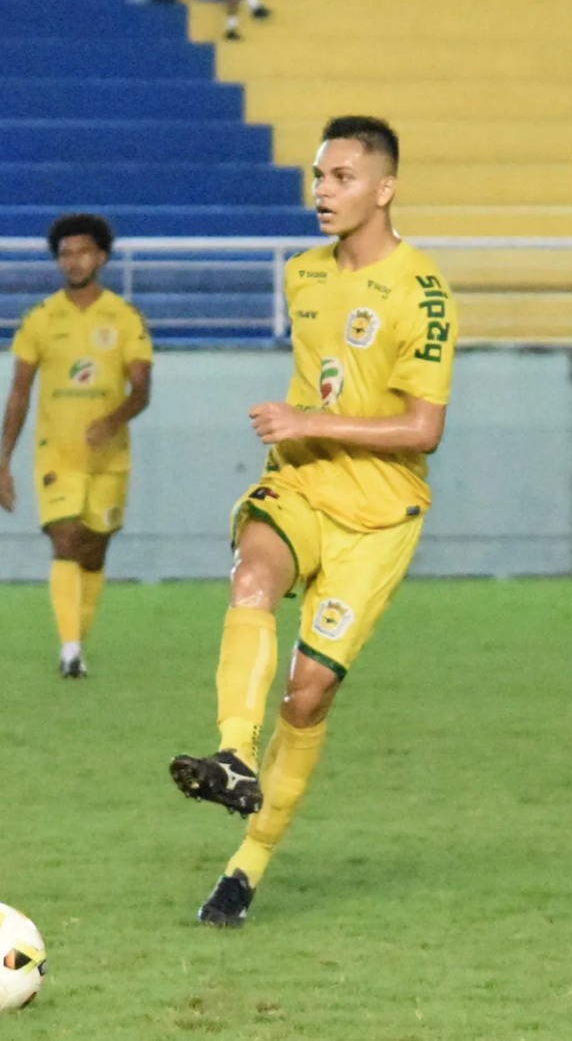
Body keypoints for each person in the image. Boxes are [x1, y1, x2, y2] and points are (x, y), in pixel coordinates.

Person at [168, 116, 459, 926]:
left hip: (378, 517)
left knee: (306, 701)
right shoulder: (302, 274)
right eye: (319, 177)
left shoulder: (422, 294)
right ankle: (231, 752)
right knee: (253, 576)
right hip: (299, 488)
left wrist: (307, 422)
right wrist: (303, 438)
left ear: (385, 189)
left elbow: (423, 428)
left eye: (341, 178)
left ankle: (245, 869)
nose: (322, 192)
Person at [0, 214, 153, 680]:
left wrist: (113, 419)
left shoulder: (124, 318)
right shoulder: (41, 319)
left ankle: (77, 642)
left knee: (93, 550)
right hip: (56, 454)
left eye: (82, 252)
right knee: (64, 539)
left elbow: (142, 390)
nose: (73, 261)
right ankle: (69, 651)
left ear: (101, 256)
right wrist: (3, 461)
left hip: (109, 458)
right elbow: (19, 391)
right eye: (65, 253)